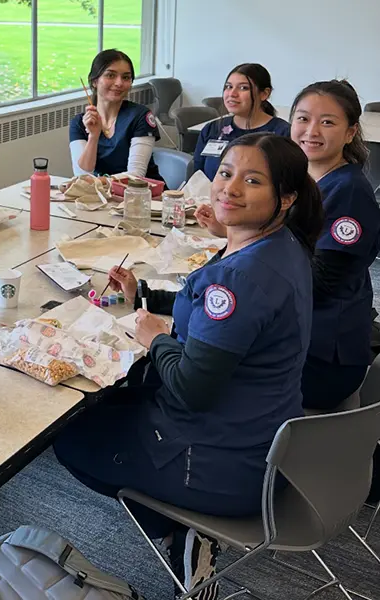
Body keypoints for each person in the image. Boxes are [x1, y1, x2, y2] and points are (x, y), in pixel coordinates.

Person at [55, 133, 323, 599]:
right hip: (268, 443)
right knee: (119, 399)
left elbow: (192, 388)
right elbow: (210, 309)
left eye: (252, 180)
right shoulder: (280, 245)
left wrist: (156, 337)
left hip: (222, 465)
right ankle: (180, 531)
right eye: (225, 173)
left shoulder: (240, 277)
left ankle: (180, 530)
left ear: (286, 198)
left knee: (71, 435)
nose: (229, 188)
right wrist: (146, 295)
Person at [290, 80, 380, 410]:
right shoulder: (301, 180)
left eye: (327, 122)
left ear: (350, 132)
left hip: (323, 356)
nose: (311, 130)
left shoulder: (349, 192)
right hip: (297, 331)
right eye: (302, 118)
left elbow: (322, 282)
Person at [69, 49, 162, 180]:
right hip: (104, 196)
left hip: (144, 195)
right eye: (110, 75)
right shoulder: (79, 122)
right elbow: (82, 174)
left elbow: (136, 174)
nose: (119, 83)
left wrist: (98, 182)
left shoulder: (140, 116)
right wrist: (93, 137)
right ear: (94, 81)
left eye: (125, 77)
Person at [192, 63, 290, 180]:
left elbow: (286, 182)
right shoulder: (212, 129)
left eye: (243, 88)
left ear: (264, 94)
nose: (232, 94)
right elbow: (196, 178)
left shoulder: (282, 133)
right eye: (228, 87)